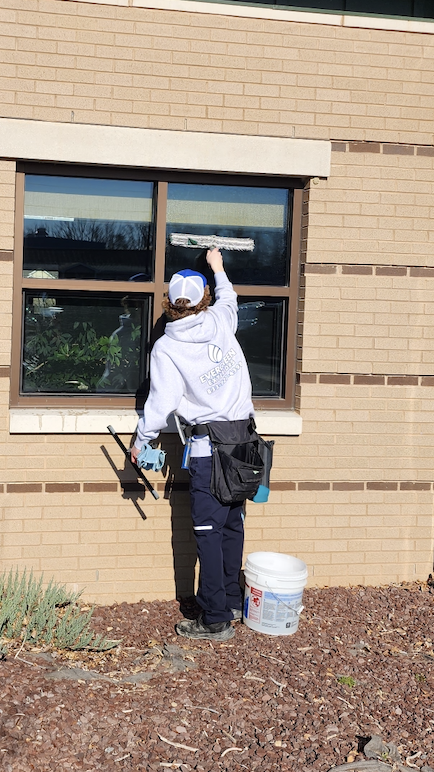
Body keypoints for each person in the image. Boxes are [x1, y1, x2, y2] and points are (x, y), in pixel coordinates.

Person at [130, 248, 255, 642]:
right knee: (233, 524)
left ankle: (215, 617)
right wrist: (218, 268)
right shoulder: (221, 321)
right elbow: (230, 298)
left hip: (209, 451)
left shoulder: (167, 348)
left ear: (169, 302)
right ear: (205, 301)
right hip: (245, 442)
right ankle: (232, 601)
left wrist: (141, 441)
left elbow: (161, 402)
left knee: (208, 531)